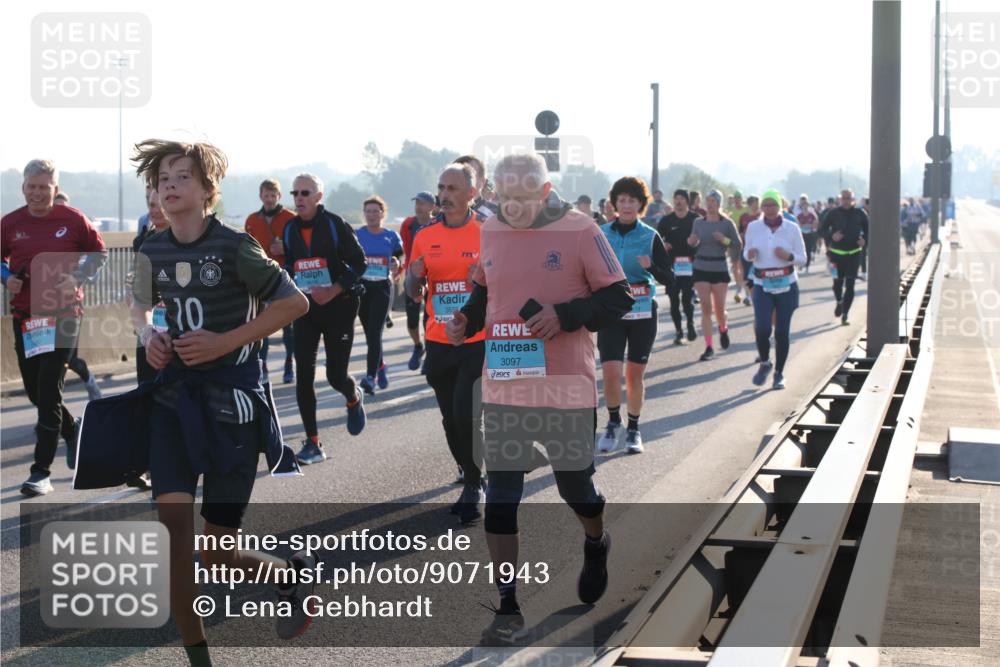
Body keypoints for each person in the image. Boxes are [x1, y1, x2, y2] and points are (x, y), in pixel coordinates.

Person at [127, 139, 313, 665]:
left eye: (182, 177)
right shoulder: (151, 249)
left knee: (217, 550)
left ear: (208, 191)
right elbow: (140, 307)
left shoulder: (235, 247)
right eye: (163, 178)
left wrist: (225, 341)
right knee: (176, 550)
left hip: (232, 405)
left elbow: (293, 302)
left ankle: (286, 575)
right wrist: (149, 337)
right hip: (172, 404)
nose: (169, 186)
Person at [446, 153, 632, 644]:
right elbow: (486, 291)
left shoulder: (581, 229)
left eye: (523, 199)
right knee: (502, 501)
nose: (512, 208)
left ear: (545, 193)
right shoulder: (491, 230)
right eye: (503, 198)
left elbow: (619, 297)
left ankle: (596, 540)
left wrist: (566, 315)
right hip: (506, 384)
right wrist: (468, 316)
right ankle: (507, 608)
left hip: (566, 387)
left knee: (577, 491)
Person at [2, 159, 107, 496]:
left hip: (64, 316)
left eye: (44, 187)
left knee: (48, 391)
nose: (37, 193)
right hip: (28, 319)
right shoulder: (11, 223)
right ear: (23, 188)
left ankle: (40, 472)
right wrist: (7, 278)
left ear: (55, 189)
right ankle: (72, 428)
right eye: (32, 186)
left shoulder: (73, 220)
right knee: (36, 392)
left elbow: (99, 254)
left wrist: (76, 277)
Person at [406, 163, 487, 523]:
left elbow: (505, 284)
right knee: (449, 418)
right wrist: (415, 278)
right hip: (438, 339)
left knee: (464, 412)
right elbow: (413, 290)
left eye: (453, 188)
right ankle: (470, 471)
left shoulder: (486, 232)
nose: (445, 194)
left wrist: (485, 278)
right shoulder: (425, 236)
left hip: (476, 338)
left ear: (472, 193)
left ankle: (474, 483)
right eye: (441, 187)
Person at [283, 173, 369, 465]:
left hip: (340, 306)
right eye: (295, 193)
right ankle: (313, 443)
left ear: (319, 196)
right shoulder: (289, 229)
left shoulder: (334, 224)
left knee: (335, 376)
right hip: (306, 309)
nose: (299, 199)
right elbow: (289, 266)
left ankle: (353, 395)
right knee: (303, 375)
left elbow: (360, 263)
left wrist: (333, 289)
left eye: (305, 193)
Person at [596, 177, 674, 454]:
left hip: (642, 312)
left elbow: (670, 278)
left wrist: (651, 266)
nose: (626, 205)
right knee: (610, 372)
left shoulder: (649, 235)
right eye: (622, 200)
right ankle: (613, 422)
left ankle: (633, 428)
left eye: (632, 200)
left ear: (640, 204)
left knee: (634, 375)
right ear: (614, 203)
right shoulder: (601, 233)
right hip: (612, 312)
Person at [744, 189, 807, 390]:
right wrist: (750, 254)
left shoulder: (791, 228)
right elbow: (746, 252)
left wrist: (788, 256)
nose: (769, 209)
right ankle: (765, 362)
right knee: (762, 328)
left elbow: (802, 258)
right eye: (766, 205)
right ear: (761, 207)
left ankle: (779, 373)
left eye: (773, 205)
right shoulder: (753, 227)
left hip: (787, 284)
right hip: (762, 284)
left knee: (781, 332)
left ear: (780, 206)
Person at [51, 191, 104, 400]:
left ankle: (89, 381)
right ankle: (52, 408)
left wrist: (76, 278)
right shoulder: (43, 234)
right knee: (48, 359)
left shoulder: (76, 234)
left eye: (64, 207)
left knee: (69, 359)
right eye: (56, 206)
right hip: (42, 307)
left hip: (71, 306)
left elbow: (94, 268)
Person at [245, 179, 297, 383]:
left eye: (273, 195)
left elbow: (301, 248)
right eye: (266, 195)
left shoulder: (290, 219)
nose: (269, 199)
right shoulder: (252, 220)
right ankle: (262, 365)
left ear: (279, 196)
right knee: (262, 325)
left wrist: (286, 249)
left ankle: (289, 362)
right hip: (261, 278)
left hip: (286, 275)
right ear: (261, 196)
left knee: (288, 325)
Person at [356, 195, 403, 394]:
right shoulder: (357, 235)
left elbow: (399, 255)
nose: (372, 215)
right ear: (364, 214)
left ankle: (370, 377)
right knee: (370, 335)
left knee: (375, 333)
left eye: (376, 211)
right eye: (369, 211)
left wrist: (396, 262)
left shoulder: (391, 236)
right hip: (362, 288)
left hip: (382, 287)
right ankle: (381, 366)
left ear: (383, 213)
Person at [688, 189, 742, 360]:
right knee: (705, 308)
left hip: (719, 267)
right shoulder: (698, 222)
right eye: (708, 200)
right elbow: (692, 240)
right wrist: (691, 241)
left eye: (713, 201)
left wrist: (724, 240)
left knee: (719, 309)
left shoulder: (727, 223)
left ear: (719, 203)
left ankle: (723, 328)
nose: (710, 204)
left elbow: (737, 245)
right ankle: (709, 346)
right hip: (701, 266)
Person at [819, 189, 868, 326]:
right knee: (837, 284)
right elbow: (821, 230)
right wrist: (831, 236)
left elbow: (869, 231)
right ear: (840, 199)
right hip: (835, 255)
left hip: (853, 254)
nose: (846, 201)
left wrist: (864, 240)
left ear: (853, 199)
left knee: (851, 284)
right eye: (844, 198)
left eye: (849, 198)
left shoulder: (860, 213)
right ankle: (839, 302)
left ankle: (845, 314)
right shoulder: (833, 213)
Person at [399, 191, 436, 370]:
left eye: (423, 203)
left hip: (434, 274)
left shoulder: (438, 223)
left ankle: (430, 351)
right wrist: (411, 275)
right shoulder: (408, 224)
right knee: (412, 320)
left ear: (432, 207)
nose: (418, 207)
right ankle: (418, 345)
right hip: (414, 274)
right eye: (417, 203)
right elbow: (408, 249)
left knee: (429, 317)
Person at [657, 189, 699, 344]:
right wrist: (663, 244)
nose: (679, 201)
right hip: (672, 266)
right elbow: (657, 240)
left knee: (687, 299)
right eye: (676, 198)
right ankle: (678, 332)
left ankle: (690, 323)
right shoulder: (666, 221)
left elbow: (702, 239)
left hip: (690, 265)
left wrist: (697, 243)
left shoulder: (696, 219)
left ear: (687, 201)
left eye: (682, 198)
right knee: (674, 301)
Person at [796, 194, 819, 273]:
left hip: (810, 234)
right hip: (801, 234)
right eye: (803, 206)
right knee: (802, 250)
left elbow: (815, 223)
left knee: (808, 250)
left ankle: (807, 266)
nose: (805, 207)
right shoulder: (799, 215)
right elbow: (798, 225)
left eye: (806, 206)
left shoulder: (812, 215)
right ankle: (801, 264)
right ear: (801, 207)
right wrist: (804, 225)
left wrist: (809, 225)